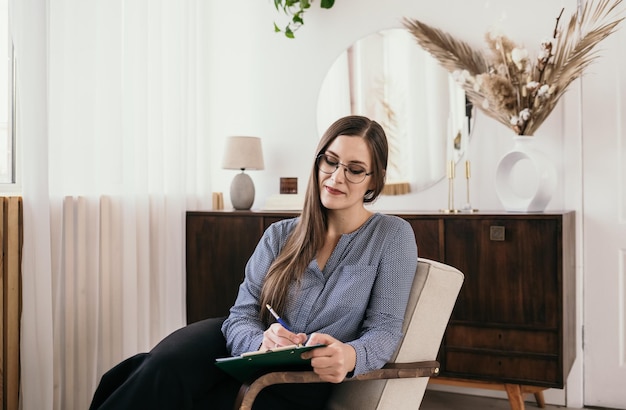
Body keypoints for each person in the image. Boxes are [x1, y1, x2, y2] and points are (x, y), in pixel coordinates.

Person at [89, 115, 418, 409]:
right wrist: (261, 341)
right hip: (242, 348)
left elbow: (385, 329)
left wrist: (351, 356)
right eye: (330, 162)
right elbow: (242, 313)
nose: (336, 177)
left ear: (375, 180)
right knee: (158, 367)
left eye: (355, 169)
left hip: (299, 377)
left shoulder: (392, 236)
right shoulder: (279, 234)